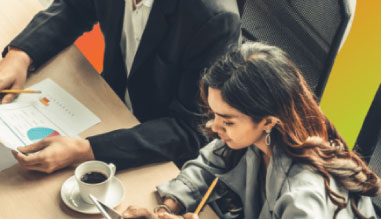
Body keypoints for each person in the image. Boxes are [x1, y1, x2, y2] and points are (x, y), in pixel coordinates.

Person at [122, 42, 381, 219]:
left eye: (227, 120)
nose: (214, 127)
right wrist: (166, 209)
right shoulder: (255, 137)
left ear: (268, 121)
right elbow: (207, 167)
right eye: (214, 114)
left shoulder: (303, 197)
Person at [0, 0, 240, 172]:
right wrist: (21, 54)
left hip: (157, 148)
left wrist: (87, 151)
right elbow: (74, 8)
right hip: (108, 104)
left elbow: (192, 130)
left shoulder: (214, 18)